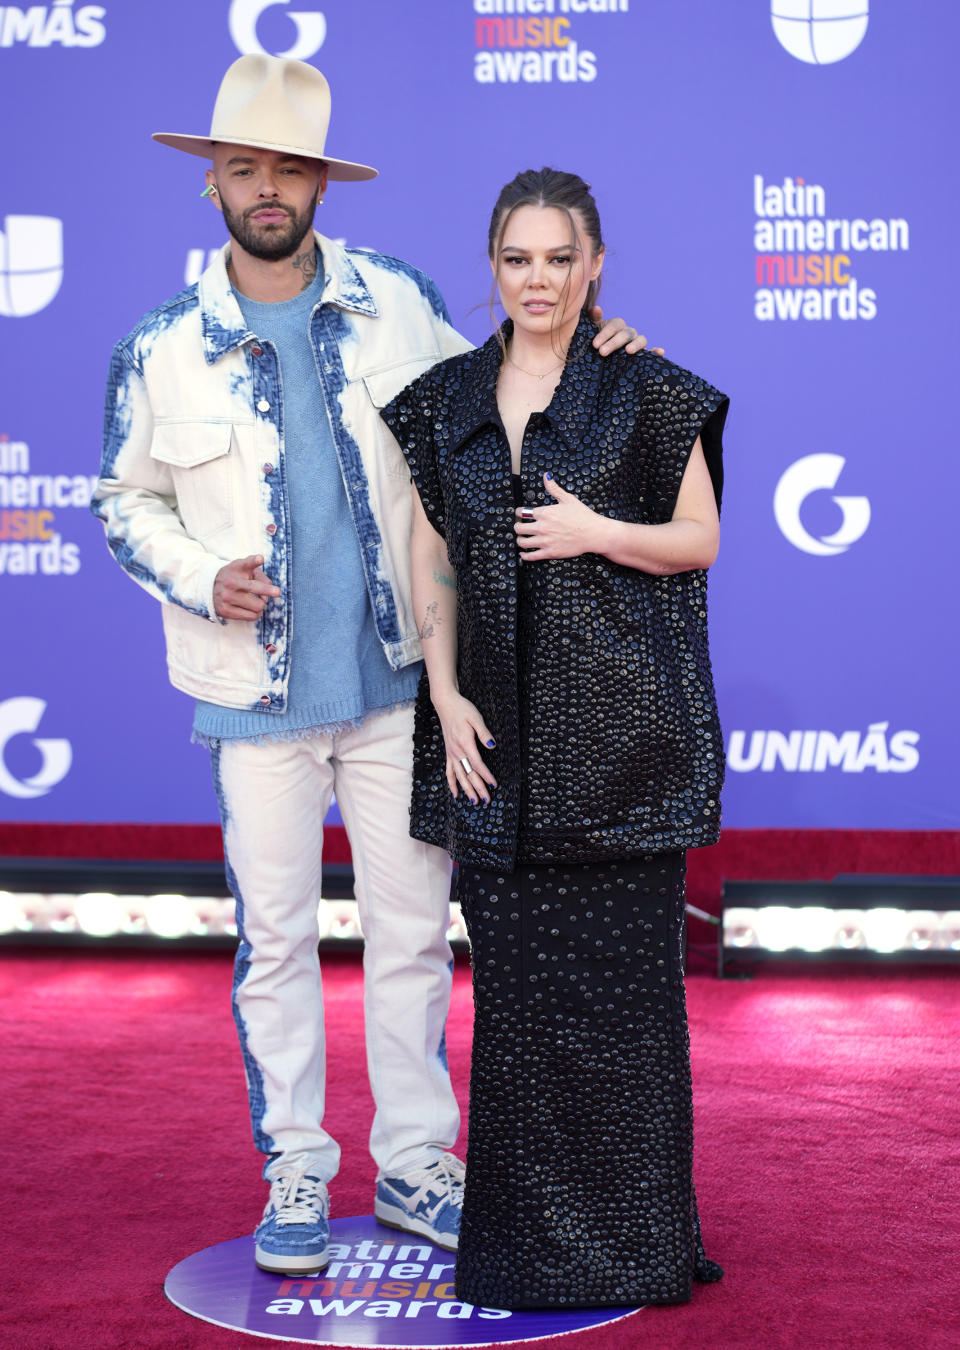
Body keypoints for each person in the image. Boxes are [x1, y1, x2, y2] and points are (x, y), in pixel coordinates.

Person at [92, 60, 648, 1278]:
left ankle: (416, 1164)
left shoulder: (397, 301)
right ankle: (295, 1165)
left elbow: (508, 388)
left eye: (291, 168)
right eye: (246, 169)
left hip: (402, 690)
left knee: (410, 938)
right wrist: (199, 573)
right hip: (253, 701)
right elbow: (123, 501)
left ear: (319, 182)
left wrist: (603, 353)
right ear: (215, 184)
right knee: (278, 943)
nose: (269, 190)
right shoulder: (163, 349)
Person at [381, 167, 728, 1308]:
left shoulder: (649, 390)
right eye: (518, 259)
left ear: (595, 265)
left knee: (628, 1019)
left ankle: (636, 1249)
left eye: (560, 258)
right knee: (522, 1019)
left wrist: (592, 528)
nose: (540, 279)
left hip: (625, 746)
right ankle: (528, 1251)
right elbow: (433, 560)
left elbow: (698, 542)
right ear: (493, 267)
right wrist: (443, 691)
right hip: (500, 754)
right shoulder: (442, 404)